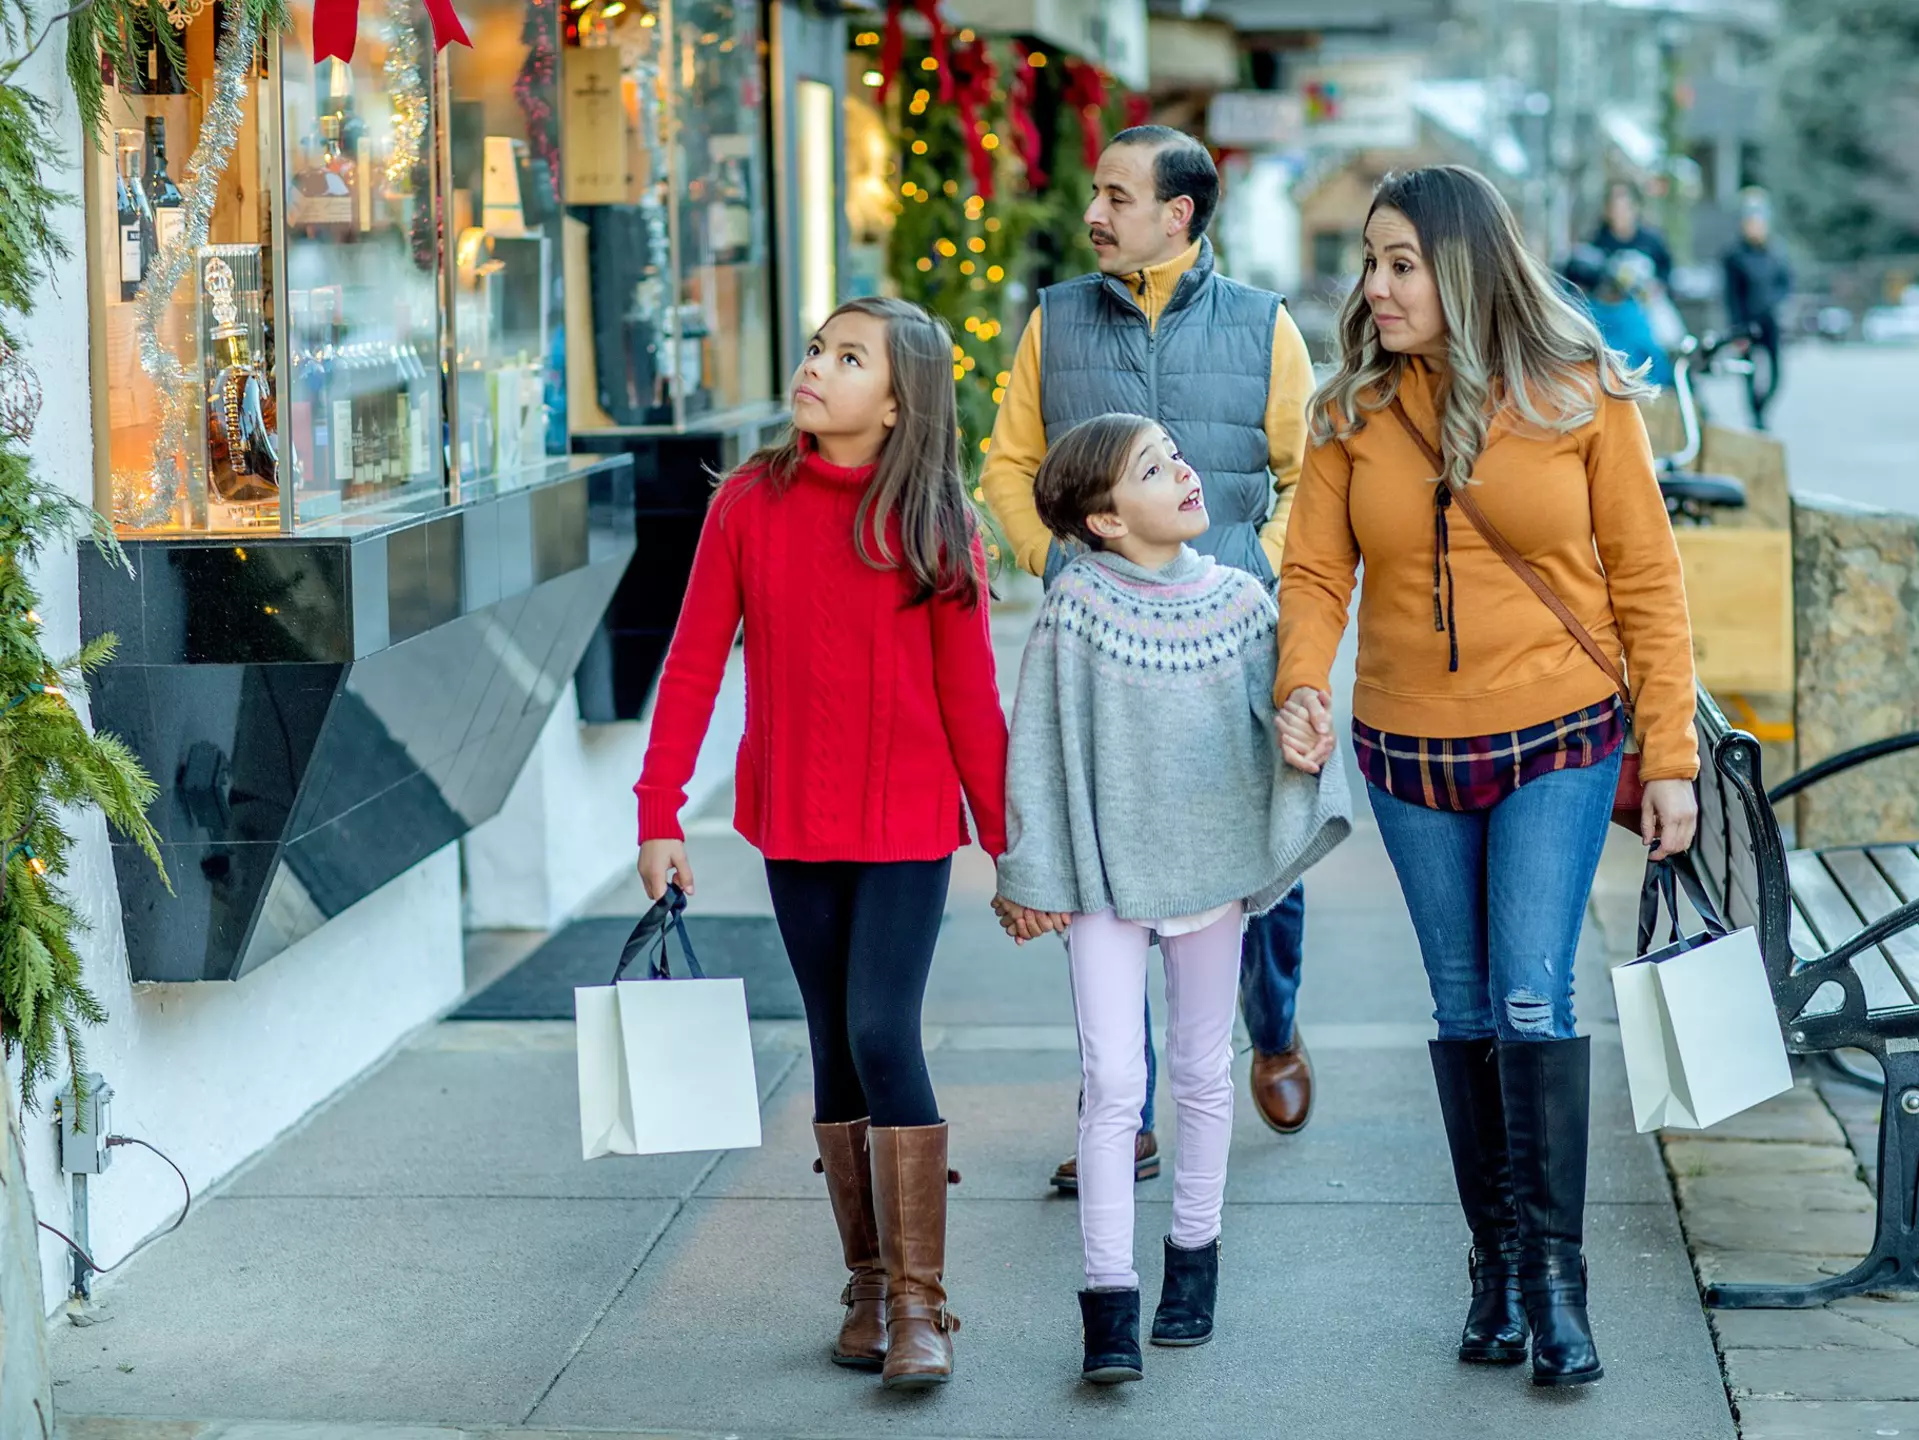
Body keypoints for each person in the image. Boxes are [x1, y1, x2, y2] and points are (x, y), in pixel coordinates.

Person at [1274, 165, 1700, 1389]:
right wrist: (1301, 681)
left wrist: (1664, 755)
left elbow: (1647, 583)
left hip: (1558, 736)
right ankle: (1494, 1269)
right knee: (1460, 1008)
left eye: (1400, 262)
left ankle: (1559, 1288)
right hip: (1407, 750)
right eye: (1370, 262)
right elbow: (1312, 574)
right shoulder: (1347, 409)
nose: (1376, 286)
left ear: (1463, 265)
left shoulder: (1577, 393)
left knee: (1528, 998)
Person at [633, 297, 1009, 1391]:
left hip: (903, 824)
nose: (815, 367)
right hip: (793, 817)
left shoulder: (939, 525)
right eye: (814, 348)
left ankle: (921, 1302)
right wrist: (659, 810)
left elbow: (970, 699)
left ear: (896, 405)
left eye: (848, 359)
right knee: (832, 1043)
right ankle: (866, 1284)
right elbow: (696, 659)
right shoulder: (748, 504)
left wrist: (1006, 847)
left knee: (882, 1029)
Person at [979, 124, 1322, 1186]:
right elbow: (1007, 465)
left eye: (1115, 196)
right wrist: (1061, 564)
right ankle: (1115, 1105)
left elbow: (1311, 477)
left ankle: (1269, 1026)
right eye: (1094, 191)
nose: (1093, 212)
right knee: (1102, 860)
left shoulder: (1265, 327)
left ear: (1176, 214)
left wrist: (1254, 571)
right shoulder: (1053, 322)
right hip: (1106, 649)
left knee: (1255, 851)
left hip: (1230, 641)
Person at [994, 412, 1350, 1384]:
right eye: (1153, 469)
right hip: (1104, 876)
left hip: (1208, 874)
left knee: (1199, 1072)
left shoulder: (1241, 600)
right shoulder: (1072, 611)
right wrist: (1029, 871)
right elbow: (1036, 751)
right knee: (1111, 1084)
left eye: (1173, 456)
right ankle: (1107, 1298)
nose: (1183, 472)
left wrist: (1300, 733)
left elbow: (1282, 718)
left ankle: (1193, 1261)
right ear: (1106, 520)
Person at [1724, 190, 1792, 429]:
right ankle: (1756, 416)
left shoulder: (1776, 252)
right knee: (1749, 374)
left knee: (1776, 375)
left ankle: (1762, 408)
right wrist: (1737, 329)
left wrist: (1777, 303)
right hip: (1747, 322)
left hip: (1770, 320)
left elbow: (1786, 283)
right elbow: (1731, 295)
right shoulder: (1735, 256)